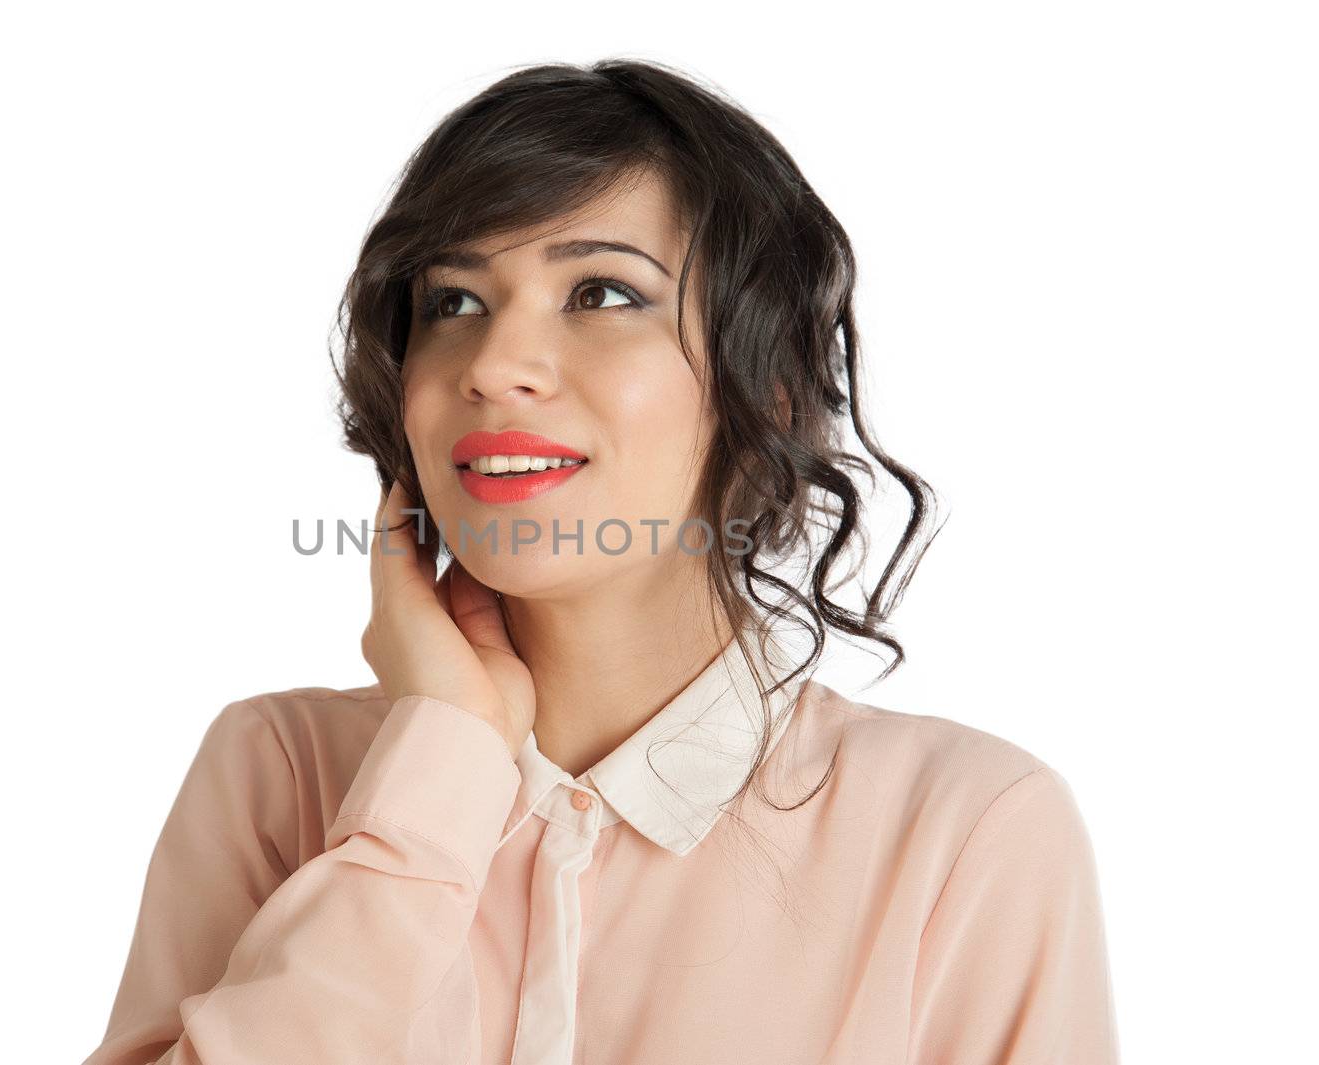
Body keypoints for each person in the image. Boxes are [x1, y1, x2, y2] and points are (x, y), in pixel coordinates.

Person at [81, 58, 1120, 1065]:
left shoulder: (963, 831)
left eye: (602, 294)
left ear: (768, 387)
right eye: (452, 302)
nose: (491, 367)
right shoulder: (281, 771)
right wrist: (436, 781)